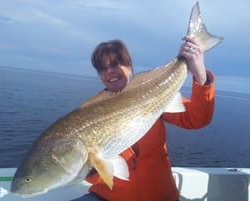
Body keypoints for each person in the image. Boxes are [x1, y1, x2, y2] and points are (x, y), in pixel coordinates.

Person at [71, 38, 214, 201]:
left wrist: (200, 75)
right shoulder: (91, 112)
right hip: (109, 197)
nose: (109, 71)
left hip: (160, 196)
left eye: (116, 64)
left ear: (129, 66)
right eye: (103, 68)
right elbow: (94, 174)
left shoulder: (151, 94)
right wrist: (91, 170)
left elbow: (196, 119)